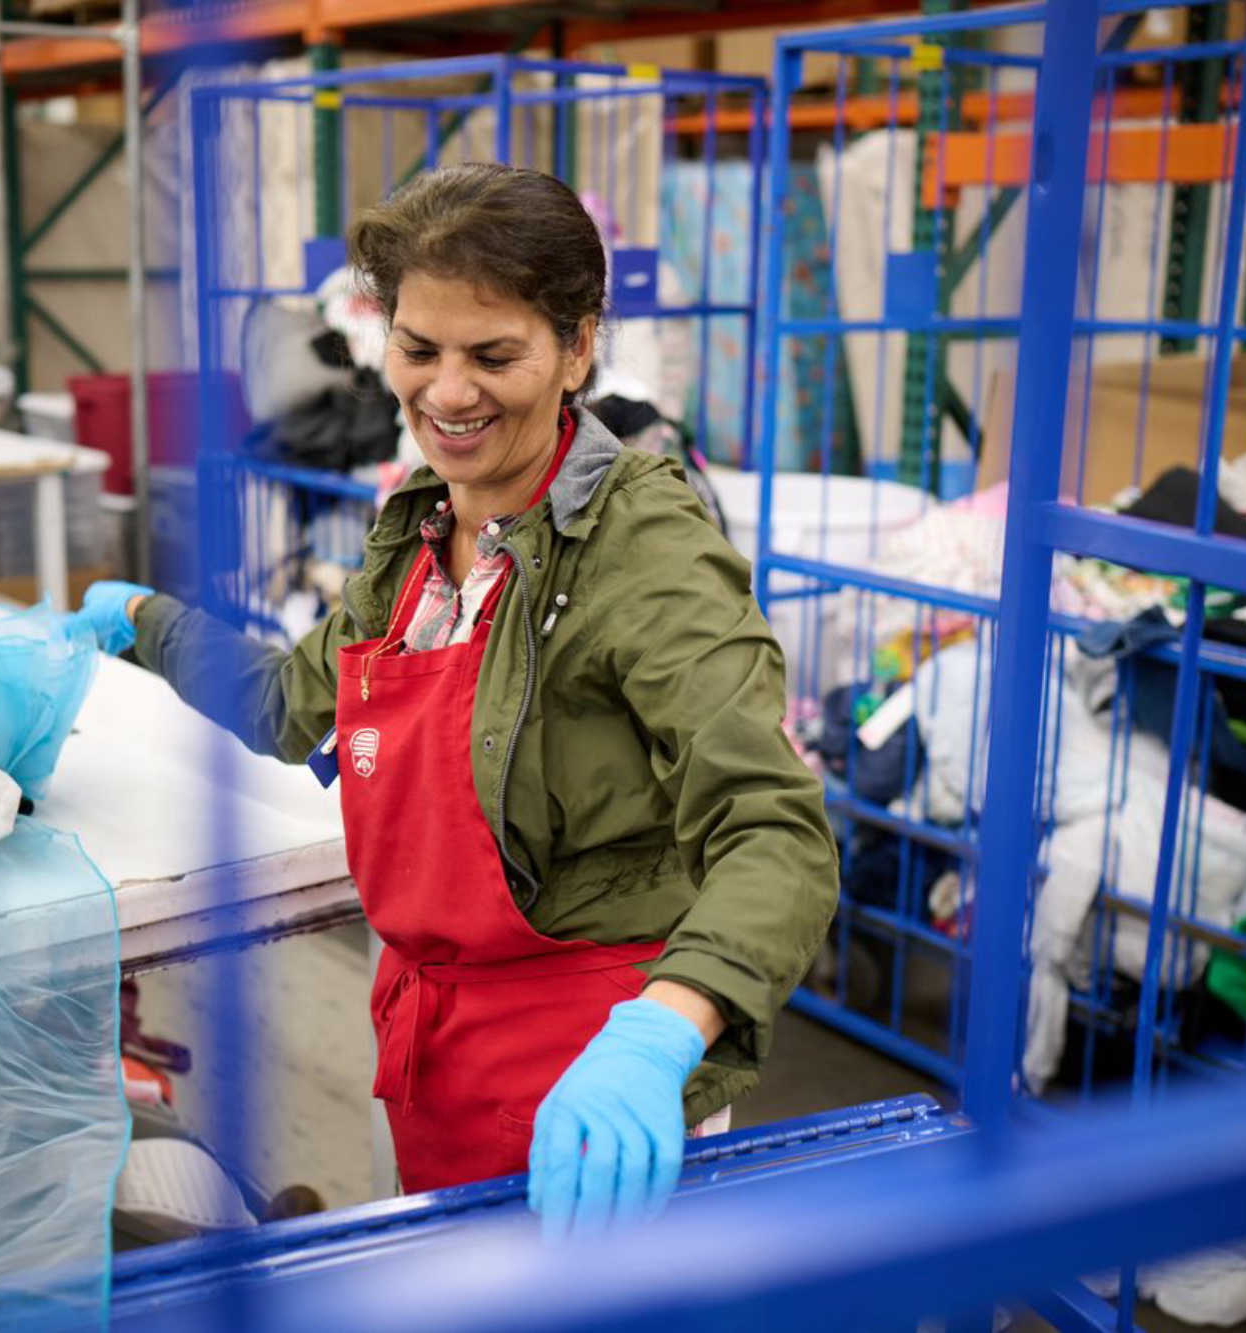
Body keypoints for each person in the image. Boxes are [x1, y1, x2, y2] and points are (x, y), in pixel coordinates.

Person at [69, 164, 837, 1235]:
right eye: (418, 350)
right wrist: (146, 622)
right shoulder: (418, 534)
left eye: (493, 355)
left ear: (576, 348)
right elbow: (296, 702)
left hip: (592, 1082)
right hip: (430, 1049)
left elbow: (775, 833)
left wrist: (655, 1039)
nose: (446, 392)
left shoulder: (642, 551)